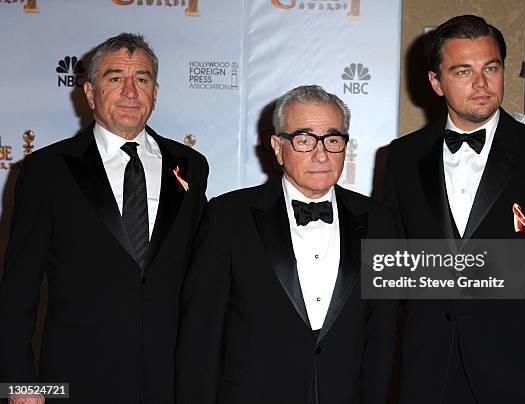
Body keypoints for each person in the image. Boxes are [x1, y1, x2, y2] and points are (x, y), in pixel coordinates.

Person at [383, 15, 525, 404]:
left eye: (490, 68)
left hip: (521, 378)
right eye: (463, 71)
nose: (481, 84)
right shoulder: (401, 158)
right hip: (426, 375)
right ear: (435, 82)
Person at [0, 33, 209, 403]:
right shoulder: (46, 170)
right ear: (90, 93)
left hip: (170, 382)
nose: (130, 91)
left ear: (155, 93)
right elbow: (18, 290)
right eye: (115, 78)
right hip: (76, 381)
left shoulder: (190, 165)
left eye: (141, 79)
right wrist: (20, 384)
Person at [175, 85, 398, 404]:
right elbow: (200, 336)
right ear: (278, 147)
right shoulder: (228, 217)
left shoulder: (379, 220)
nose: (321, 154)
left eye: (333, 140)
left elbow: (382, 337)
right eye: (304, 140)